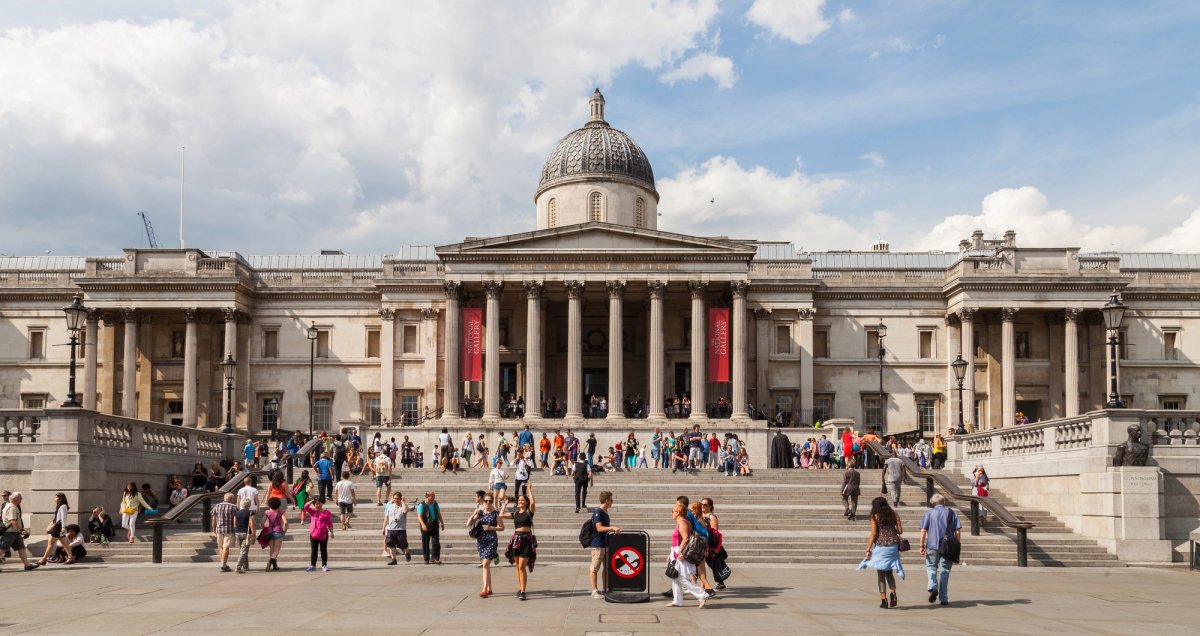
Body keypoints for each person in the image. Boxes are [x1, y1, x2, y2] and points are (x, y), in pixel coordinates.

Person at [858, 496, 906, 608]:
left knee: (881, 573)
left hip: (881, 546)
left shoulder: (875, 515)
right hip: (893, 546)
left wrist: (868, 549)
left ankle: (884, 599)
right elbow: (900, 531)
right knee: (889, 572)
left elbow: (874, 533)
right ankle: (893, 593)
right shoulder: (894, 513)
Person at [919, 494, 962, 606]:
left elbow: (923, 530)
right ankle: (944, 598)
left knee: (931, 566)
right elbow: (957, 532)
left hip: (932, 545)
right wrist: (957, 544)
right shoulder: (953, 514)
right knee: (945, 571)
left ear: (933, 503)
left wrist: (921, 546)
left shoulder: (928, 513)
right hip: (948, 546)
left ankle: (933, 586)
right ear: (944, 502)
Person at [666, 501, 710, 608]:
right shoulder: (681, 522)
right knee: (675, 577)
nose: (671, 513)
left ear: (678, 512)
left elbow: (686, 538)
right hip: (677, 551)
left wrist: (680, 553)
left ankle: (702, 595)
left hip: (681, 552)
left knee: (681, 578)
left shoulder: (682, 523)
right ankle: (677, 600)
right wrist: (671, 553)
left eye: (673, 511)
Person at [500, 484, 537, 600]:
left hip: (526, 540)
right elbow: (501, 515)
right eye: (519, 500)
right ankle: (521, 588)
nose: (520, 501)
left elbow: (533, 504)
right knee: (517, 567)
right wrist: (505, 504)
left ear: (525, 502)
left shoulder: (529, 512)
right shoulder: (515, 513)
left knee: (521, 566)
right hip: (516, 539)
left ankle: (523, 591)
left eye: (522, 500)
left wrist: (529, 490)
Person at [468, 492, 502, 597]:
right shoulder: (480, 512)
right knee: (486, 566)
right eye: (486, 501)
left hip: (491, 540)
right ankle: (489, 588)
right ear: (483, 501)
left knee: (486, 564)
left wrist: (491, 528)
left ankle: (484, 589)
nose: (487, 503)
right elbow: (468, 523)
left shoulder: (496, 513)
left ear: (492, 502)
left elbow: (502, 527)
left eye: (490, 501)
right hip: (481, 540)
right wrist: (474, 514)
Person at [589, 491, 621, 598]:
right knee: (594, 568)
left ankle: (606, 589)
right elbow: (599, 528)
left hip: (605, 544)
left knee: (607, 568)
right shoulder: (598, 512)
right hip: (598, 545)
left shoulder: (605, 512)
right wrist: (612, 527)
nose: (612, 502)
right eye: (611, 500)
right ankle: (594, 591)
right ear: (606, 501)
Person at [1, 492, 39, 570]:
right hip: (10, 532)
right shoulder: (12, 507)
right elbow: (13, 521)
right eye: (20, 498)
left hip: (15, 532)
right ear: (15, 499)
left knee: (21, 548)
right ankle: (27, 565)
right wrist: (22, 530)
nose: (21, 499)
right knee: (3, 548)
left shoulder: (9, 505)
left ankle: (27, 565)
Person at [701, 497, 728, 591]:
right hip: (703, 544)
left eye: (705, 505)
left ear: (710, 506)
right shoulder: (701, 516)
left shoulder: (711, 517)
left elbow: (715, 534)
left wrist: (715, 548)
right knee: (707, 564)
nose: (702, 506)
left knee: (714, 564)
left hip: (711, 546)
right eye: (702, 504)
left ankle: (720, 583)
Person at [38, 492, 73, 565]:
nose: (54, 499)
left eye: (56, 497)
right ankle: (70, 558)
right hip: (59, 526)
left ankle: (44, 559)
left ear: (60, 498)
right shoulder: (60, 506)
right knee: (64, 543)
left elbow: (63, 518)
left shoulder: (63, 506)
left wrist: (63, 527)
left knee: (51, 543)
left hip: (59, 526)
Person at [382, 492, 414, 564]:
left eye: (397, 498)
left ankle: (407, 553)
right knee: (391, 545)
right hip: (390, 529)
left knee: (403, 545)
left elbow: (405, 510)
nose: (396, 500)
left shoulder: (404, 506)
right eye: (395, 498)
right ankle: (394, 560)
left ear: (400, 498)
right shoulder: (390, 506)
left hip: (400, 529)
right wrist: (383, 527)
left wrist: (403, 501)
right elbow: (386, 518)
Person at [303, 497, 334, 572]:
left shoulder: (327, 513)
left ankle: (324, 565)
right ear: (314, 505)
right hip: (313, 534)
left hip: (323, 534)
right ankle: (313, 565)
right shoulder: (312, 512)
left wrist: (332, 532)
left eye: (319, 503)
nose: (318, 505)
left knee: (323, 550)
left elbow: (330, 524)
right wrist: (312, 501)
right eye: (316, 504)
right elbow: (305, 506)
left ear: (322, 504)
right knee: (314, 551)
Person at [210, 492, 238, 572]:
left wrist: (214, 530)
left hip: (219, 529)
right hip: (229, 529)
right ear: (231, 499)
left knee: (221, 547)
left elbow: (214, 519)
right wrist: (235, 527)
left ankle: (223, 563)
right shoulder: (234, 507)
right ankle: (223, 564)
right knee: (226, 547)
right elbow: (235, 519)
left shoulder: (217, 506)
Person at [417, 491, 444, 564]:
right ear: (428, 496)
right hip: (425, 525)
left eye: (434, 495)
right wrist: (423, 525)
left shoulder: (435, 503)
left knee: (436, 542)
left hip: (434, 524)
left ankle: (435, 558)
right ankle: (426, 559)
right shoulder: (421, 505)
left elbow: (438, 513)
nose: (434, 497)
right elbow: (419, 516)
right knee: (425, 542)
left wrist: (442, 522)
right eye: (432, 496)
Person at [261, 496, 287, 571]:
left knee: (272, 549)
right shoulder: (280, 513)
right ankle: (270, 562)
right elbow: (285, 522)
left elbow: (262, 523)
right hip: (278, 532)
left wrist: (264, 529)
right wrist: (285, 530)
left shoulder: (267, 512)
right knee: (276, 550)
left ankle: (274, 565)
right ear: (279, 505)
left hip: (270, 532)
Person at [233, 498, 255, 573]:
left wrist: (236, 530)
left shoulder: (237, 512)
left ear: (242, 504)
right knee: (244, 551)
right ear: (249, 505)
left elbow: (234, 523)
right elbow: (251, 524)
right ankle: (238, 567)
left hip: (237, 532)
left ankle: (246, 566)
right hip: (246, 533)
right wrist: (254, 534)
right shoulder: (250, 513)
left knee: (242, 551)